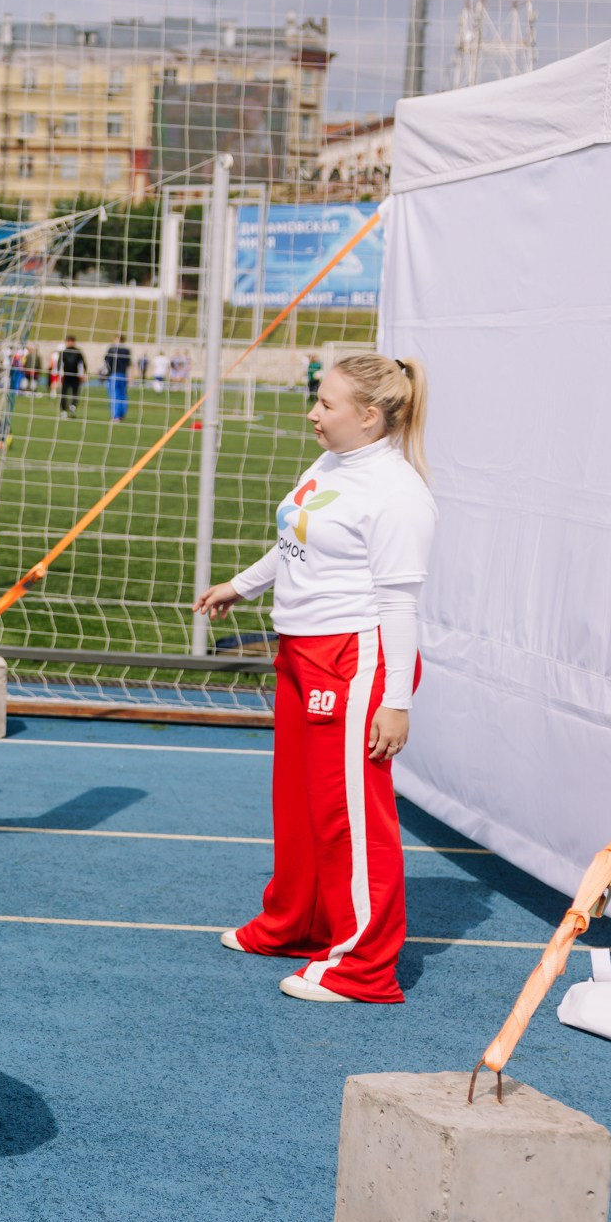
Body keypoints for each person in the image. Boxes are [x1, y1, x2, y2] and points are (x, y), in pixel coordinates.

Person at [196, 355, 434, 1004]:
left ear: (370, 416)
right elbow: (296, 541)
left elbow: (400, 605)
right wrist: (241, 586)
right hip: (301, 652)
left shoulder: (397, 494)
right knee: (299, 803)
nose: (313, 414)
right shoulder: (331, 463)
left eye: (326, 404)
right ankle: (295, 923)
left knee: (348, 814)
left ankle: (363, 967)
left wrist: (396, 702)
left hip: (356, 660)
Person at [102, 335, 134, 423]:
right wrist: (130, 376)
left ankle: (116, 416)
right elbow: (129, 364)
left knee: (114, 395)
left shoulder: (111, 349)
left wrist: (105, 373)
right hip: (123, 375)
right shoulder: (126, 351)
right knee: (122, 395)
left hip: (114, 374)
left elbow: (106, 362)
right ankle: (121, 415)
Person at [54, 336, 86, 417]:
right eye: (68, 341)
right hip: (66, 376)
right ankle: (64, 410)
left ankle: (73, 407)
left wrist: (83, 374)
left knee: (75, 393)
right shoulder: (63, 352)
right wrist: (59, 374)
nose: (70, 343)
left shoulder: (78, 352)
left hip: (75, 376)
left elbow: (82, 364)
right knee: (64, 393)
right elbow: (59, 364)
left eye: (71, 341)